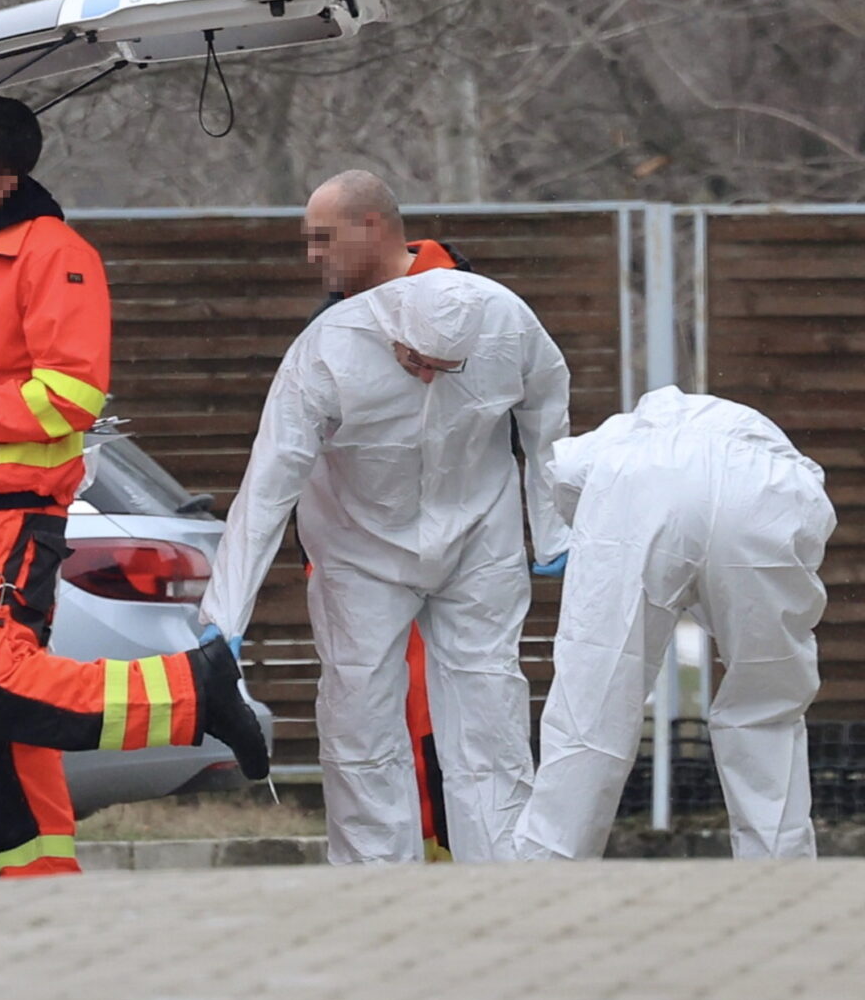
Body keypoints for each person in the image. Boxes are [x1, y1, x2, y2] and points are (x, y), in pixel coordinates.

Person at [0, 98, 267, 879]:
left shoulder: (56, 255)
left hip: (16, 509)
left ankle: (190, 692)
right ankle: (41, 883)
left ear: (7, 180)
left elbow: (71, 394)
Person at [202, 263, 571, 863]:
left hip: (478, 528)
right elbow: (270, 483)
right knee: (360, 710)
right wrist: (227, 610)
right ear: (392, 326)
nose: (426, 376)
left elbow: (547, 410)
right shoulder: (327, 352)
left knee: (491, 708)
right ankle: (376, 881)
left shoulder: (509, 325)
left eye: (445, 369)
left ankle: (504, 877)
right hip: (358, 545)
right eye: (415, 361)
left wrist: (552, 525)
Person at [514, 388, 836, 861]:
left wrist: (571, 542)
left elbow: (560, 474)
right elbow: (809, 526)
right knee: (768, 704)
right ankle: (781, 874)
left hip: (638, 486)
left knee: (592, 701)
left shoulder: (605, 448)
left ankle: (542, 874)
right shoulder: (776, 455)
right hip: (765, 490)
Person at [299, 169, 478, 861]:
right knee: (365, 721)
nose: (313, 256)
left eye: (322, 239)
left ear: (369, 227)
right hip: (350, 556)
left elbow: (517, 415)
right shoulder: (334, 322)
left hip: (434, 549)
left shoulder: (466, 304)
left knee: (435, 710)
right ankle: (388, 873)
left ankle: (451, 853)